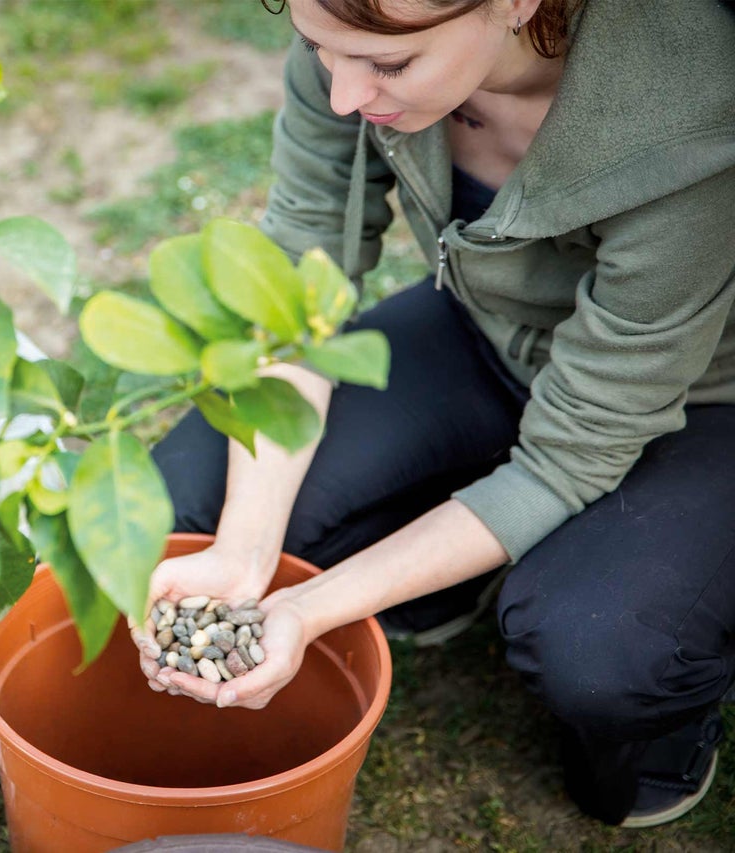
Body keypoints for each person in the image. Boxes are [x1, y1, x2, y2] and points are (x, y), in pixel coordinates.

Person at [134, 0, 735, 829]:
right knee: (186, 500)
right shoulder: (355, 37)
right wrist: (243, 551)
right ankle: (452, 553)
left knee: (599, 652)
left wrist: (309, 608)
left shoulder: (693, 116)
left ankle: (661, 728)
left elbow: (575, 449)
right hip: (487, 335)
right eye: (319, 49)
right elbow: (295, 296)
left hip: (699, 399)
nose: (344, 94)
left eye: (390, 65)